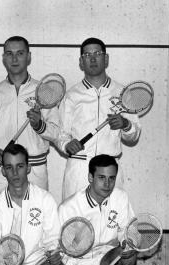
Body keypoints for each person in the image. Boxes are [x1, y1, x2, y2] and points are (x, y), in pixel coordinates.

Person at [57, 37, 141, 200]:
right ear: (81, 62)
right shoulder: (72, 96)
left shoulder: (122, 93)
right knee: (75, 222)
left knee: (111, 222)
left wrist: (125, 124)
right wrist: (67, 144)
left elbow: (134, 135)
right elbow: (61, 134)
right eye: (87, 55)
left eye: (97, 53)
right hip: (79, 169)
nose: (93, 58)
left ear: (106, 58)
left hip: (110, 170)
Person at [58, 154, 137, 265]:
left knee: (129, 254)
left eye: (111, 178)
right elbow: (59, 251)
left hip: (107, 260)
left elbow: (129, 229)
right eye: (101, 178)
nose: (107, 184)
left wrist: (127, 241)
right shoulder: (69, 207)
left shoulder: (120, 197)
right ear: (90, 177)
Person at [0, 36, 60, 198]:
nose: (14, 58)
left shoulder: (44, 91)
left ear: (29, 57)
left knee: (36, 221)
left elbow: (57, 132)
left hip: (35, 170)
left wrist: (39, 125)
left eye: (20, 53)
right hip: (3, 172)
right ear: (4, 58)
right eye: (9, 54)